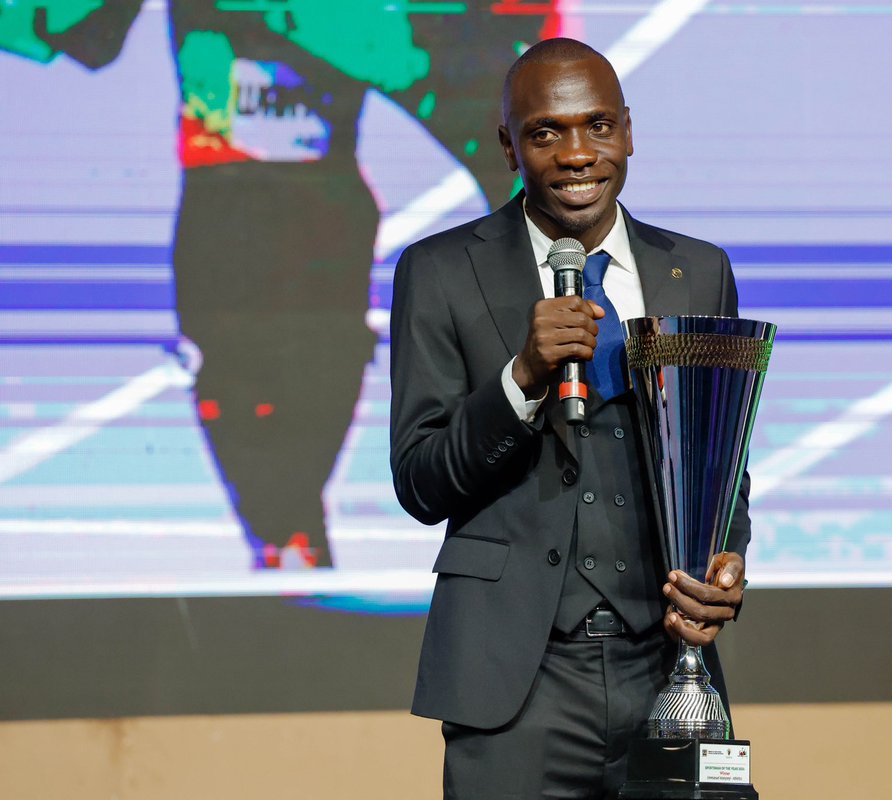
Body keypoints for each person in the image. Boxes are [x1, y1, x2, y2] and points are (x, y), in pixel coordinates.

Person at [2, 0, 558, 568]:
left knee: (326, 358)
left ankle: (289, 528)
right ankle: (282, 529)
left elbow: (445, 88)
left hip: (318, 201)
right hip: (229, 200)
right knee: (237, 369)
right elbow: (81, 32)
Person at [389, 38, 751, 798]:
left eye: (598, 126)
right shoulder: (441, 271)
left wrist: (727, 562)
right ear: (508, 146)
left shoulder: (698, 271)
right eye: (546, 133)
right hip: (517, 682)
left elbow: (721, 460)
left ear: (628, 131)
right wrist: (522, 377)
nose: (578, 154)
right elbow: (420, 481)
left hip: (667, 666)